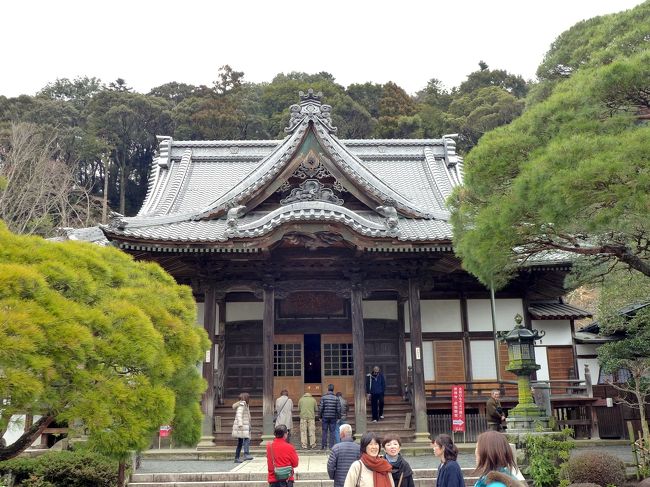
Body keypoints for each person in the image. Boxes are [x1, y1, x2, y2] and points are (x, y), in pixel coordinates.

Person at [232, 392, 253, 463]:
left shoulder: (245, 405)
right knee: (246, 439)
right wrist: (240, 424)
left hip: (243, 426)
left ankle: (236, 458)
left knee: (240, 443)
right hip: (242, 426)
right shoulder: (242, 405)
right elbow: (239, 414)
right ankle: (246, 454)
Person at [319, 383, 341, 450]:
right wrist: (339, 417)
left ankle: (324, 446)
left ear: (328, 389)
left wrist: (319, 416)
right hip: (333, 417)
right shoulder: (336, 398)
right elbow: (338, 409)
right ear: (333, 389)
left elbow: (321, 408)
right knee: (332, 431)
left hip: (325, 416)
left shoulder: (323, 398)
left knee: (324, 431)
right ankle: (331, 446)